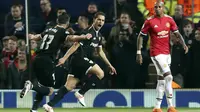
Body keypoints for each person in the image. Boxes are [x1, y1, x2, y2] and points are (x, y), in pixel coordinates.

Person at [43, 12, 117, 112]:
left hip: (77, 63)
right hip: (79, 59)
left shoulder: (98, 36)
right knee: (100, 73)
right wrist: (64, 58)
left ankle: (49, 105)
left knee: (68, 86)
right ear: (94, 20)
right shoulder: (88, 32)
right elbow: (75, 46)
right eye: (99, 19)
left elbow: (100, 52)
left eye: (103, 20)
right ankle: (81, 93)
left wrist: (110, 65)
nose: (101, 22)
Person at [19, 13, 92, 112]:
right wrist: (83, 37)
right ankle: (32, 86)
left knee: (43, 85)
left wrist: (31, 36)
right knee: (49, 90)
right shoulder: (62, 31)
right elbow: (72, 38)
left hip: (36, 58)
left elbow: (37, 37)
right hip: (47, 60)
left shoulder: (49, 30)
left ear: (57, 21)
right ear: (67, 23)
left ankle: (34, 109)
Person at [136, 1, 188, 112]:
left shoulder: (169, 19)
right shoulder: (149, 21)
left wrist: (184, 44)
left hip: (167, 53)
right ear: (153, 9)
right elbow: (140, 36)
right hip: (156, 53)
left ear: (163, 8)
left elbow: (177, 33)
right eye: (155, 7)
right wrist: (139, 52)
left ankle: (157, 107)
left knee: (162, 80)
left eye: (159, 7)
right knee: (168, 77)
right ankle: (170, 106)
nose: (157, 9)